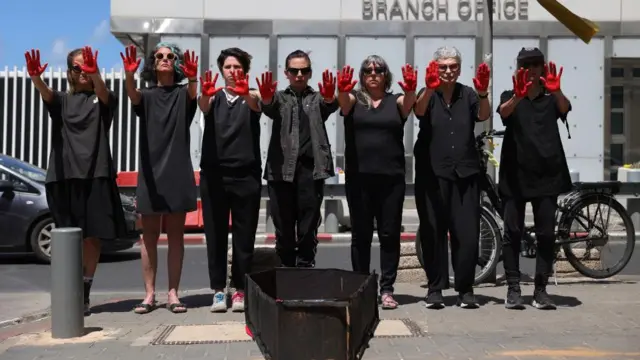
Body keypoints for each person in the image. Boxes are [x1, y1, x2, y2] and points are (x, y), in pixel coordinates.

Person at [25, 47, 128, 315]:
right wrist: (36, 78)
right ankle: (66, 293)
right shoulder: (61, 101)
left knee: (92, 238)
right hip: (63, 178)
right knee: (67, 239)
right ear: (70, 72)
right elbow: (47, 95)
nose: (83, 72)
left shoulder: (105, 99)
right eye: (78, 68)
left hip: (96, 176)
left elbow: (104, 94)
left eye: (89, 66)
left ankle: (83, 292)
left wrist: (95, 75)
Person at [120, 43, 199, 314]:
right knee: (149, 236)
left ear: (176, 63)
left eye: (170, 56)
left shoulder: (182, 94)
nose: (165, 60)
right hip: (151, 174)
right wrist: (129, 75)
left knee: (176, 236)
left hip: (177, 173)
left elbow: (193, 92)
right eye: (160, 57)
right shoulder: (146, 95)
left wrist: (194, 75)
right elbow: (132, 95)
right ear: (153, 64)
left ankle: (173, 294)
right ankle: (149, 294)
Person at [413, 46, 491, 309]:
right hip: (432, 174)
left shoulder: (468, 93)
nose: (448, 71)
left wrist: (483, 93)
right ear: (435, 67)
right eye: (443, 66)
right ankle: (435, 289)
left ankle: (465, 290)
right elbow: (419, 111)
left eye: (453, 66)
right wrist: (428, 87)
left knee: (466, 234)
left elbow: (483, 115)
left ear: (459, 68)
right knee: (433, 232)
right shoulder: (429, 93)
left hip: (465, 173)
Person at [336, 57, 416, 309]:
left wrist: (412, 89)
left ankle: (387, 289)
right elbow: (343, 102)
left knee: (389, 234)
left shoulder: (397, 101)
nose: (373, 74)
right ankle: (361, 287)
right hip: (359, 179)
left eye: (379, 70)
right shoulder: (354, 101)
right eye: (367, 71)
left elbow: (410, 103)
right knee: (360, 235)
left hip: (391, 180)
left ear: (386, 75)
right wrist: (342, 89)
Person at [497, 47, 572, 310]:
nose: (531, 69)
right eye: (525, 65)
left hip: (547, 175)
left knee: (546, 234)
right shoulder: (510, 96)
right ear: (519, 68)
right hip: (515, 176)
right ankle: (513, 288)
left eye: (535, 64)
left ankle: (541, 289)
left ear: (542, 68)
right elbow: (504, 113)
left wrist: (557, 90)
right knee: (512, 234)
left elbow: (565, 108)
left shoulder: (552, 98)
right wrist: (518, 96)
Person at [257, 50, 338, 268]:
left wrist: (331, 98)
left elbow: (329, 105)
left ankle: (305, 274)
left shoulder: (317, 98)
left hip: (311, 173)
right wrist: (265, 98)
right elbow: (270, 107)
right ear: (287, 73)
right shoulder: (281, 98)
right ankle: (285, 276)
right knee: (283, 230)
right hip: (281, 172)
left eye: (304, 70)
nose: (299, 74)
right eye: (294, 71)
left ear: (310, 72)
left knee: (308, 229)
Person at [198, 48, 262, 313]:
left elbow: (258, 104)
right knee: (215, 235)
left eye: (237, 67)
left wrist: (247, 92)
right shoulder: (213, 97)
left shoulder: (252, 97)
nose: (232, 71)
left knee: (244, 237)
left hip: (246, 175)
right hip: (214, 175)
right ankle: (217, 291)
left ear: (245, 71)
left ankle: (239, 290)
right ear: (222, 70)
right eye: (228, 67)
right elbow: (203, 105)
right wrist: (204, 93)